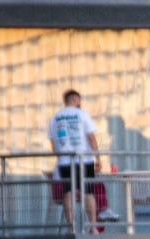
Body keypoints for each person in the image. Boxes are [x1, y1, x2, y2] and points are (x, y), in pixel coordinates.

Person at [48, 88, 117, 229]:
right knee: (89, 192)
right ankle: (92, 226)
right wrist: (97, 158)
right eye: (79, 100)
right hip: (84, 159)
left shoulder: (55, 118)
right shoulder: (82, 114)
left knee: (68, 192)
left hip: (65, 160)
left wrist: (61, 156)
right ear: (75, 99)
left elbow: (53, 145)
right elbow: (91, 137)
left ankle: (71, 227)